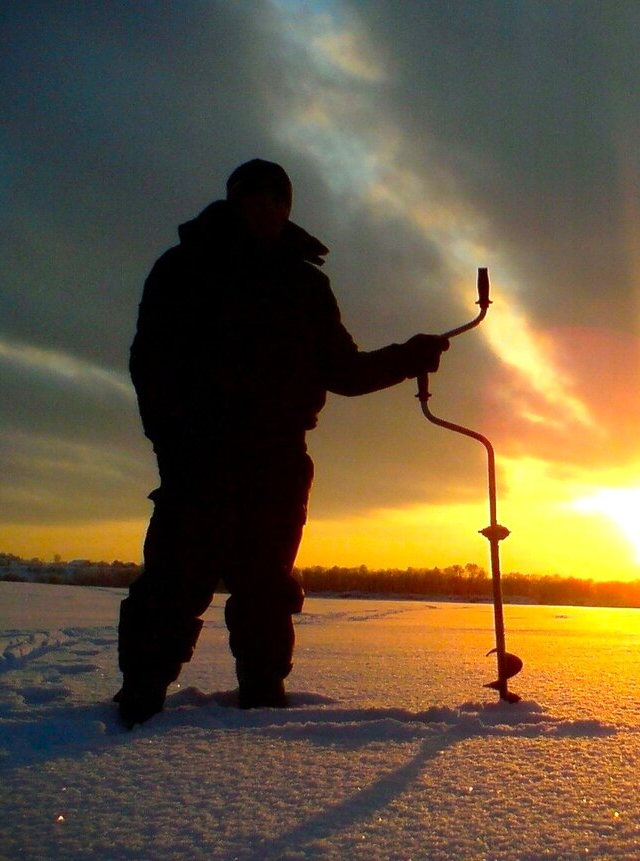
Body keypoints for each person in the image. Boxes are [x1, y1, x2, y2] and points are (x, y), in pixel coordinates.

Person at [116, 159, 449, 726]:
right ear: (235, 199)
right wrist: (172, 443)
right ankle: (138, 701)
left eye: (279, 198)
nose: (268, 207)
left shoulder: (305, 284)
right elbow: (150, 364)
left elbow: (342, 371)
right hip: (199, 457)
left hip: (276, 461)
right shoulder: (184, 268)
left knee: (267, 590)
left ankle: (263, 706)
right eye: (257, 196)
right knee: (173, 581)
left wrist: (407, 357)